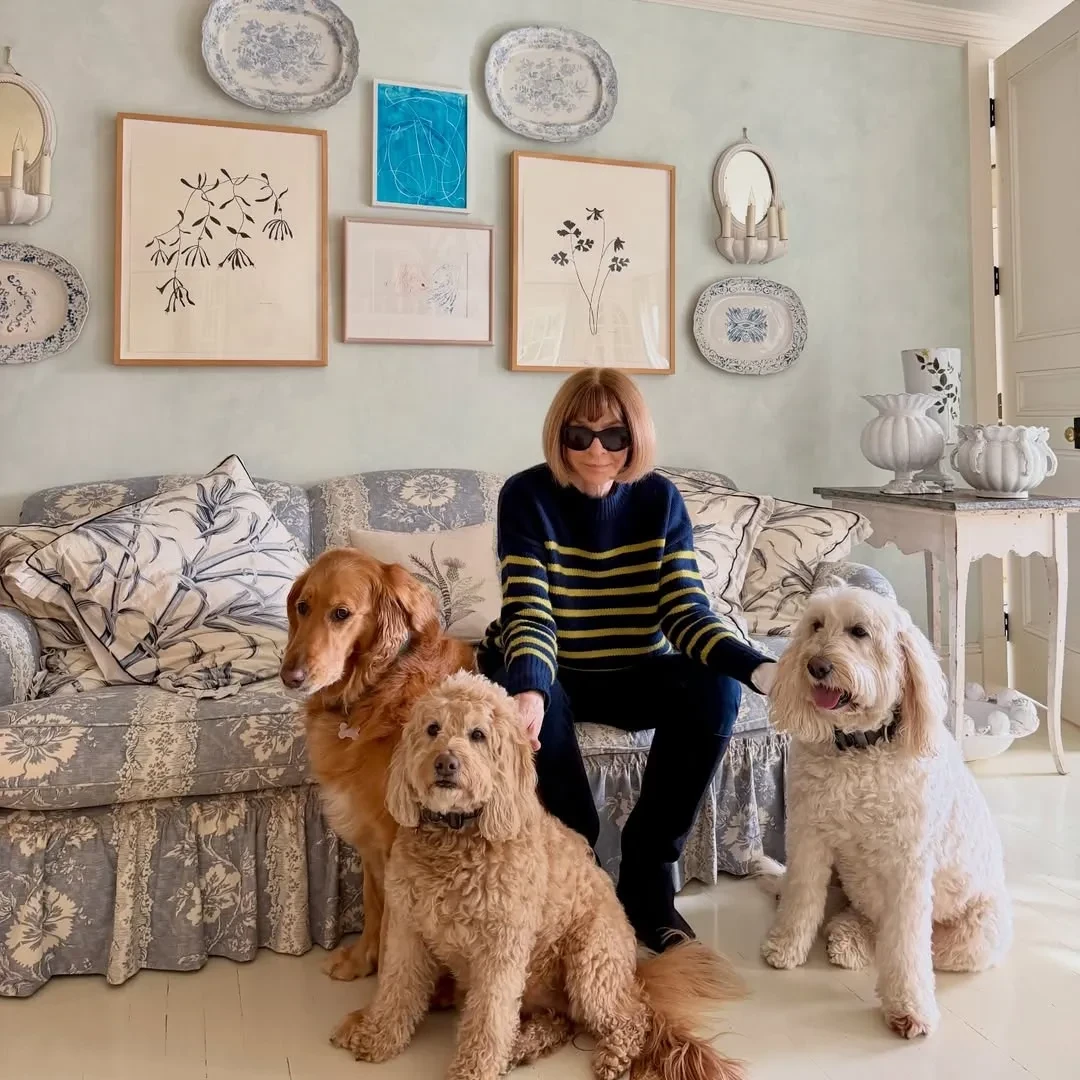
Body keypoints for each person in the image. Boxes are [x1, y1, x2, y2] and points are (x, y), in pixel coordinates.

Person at [478, 368, 777, 953]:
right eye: (580, 434)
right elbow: (530, 611)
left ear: (635, 437)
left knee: (716, 688)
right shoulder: (526, 495)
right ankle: (579, 873)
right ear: (558, 436)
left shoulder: (660, 499)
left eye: (614, 435)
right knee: (534, 703)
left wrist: (756, 667)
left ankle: (647, 878)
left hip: (635, 669)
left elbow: (685, 611)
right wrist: (531, 690)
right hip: (551, 666)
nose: (597, 450)